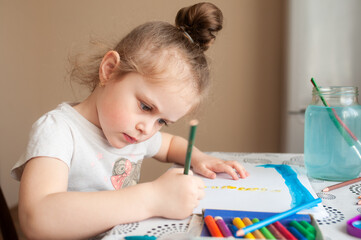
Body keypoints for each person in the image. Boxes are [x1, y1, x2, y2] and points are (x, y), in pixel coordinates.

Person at [11, 2, 249, 239]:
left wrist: (199, 158)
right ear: (110, 70)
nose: (148, 129)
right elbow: (37, 219)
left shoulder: (134, 132)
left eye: (162, 121)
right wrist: (153, 198)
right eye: (145, 106)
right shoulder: (59, 131)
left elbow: (169, 145)